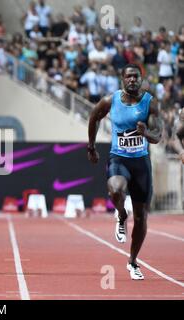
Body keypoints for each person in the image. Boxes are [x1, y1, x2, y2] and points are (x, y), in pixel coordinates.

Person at [87, 64, 162, 280]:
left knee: (141, 218)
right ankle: (121, 215)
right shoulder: (111, 101)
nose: (132, 80)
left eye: (135, 77)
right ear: (122, 80)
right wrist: (91, 147)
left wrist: (146, 132)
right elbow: (94, 117)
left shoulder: (150, 103)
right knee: (116, 189)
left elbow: (158, 136)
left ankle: (133, 261)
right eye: (128, 77)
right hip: (119, 158)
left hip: (141, 163)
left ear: (141, 79)